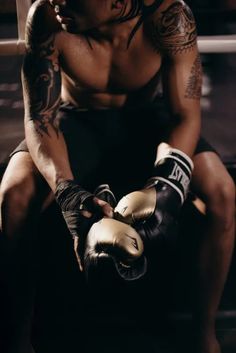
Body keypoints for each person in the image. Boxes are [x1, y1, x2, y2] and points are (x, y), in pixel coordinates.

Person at [0, 0, 235, 352]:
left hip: (147, 122)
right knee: (13, 193)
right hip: (72, 121)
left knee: (222, 192)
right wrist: (68, 195)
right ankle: (15, 339)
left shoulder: (169, 17)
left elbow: (184, 115)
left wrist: (167, 184)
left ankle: (204, 333)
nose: (56, 0)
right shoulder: (48, 16)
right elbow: (39, 120)